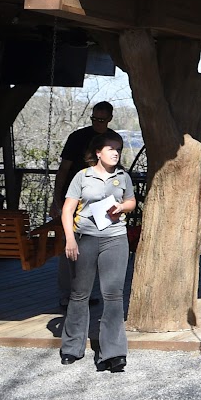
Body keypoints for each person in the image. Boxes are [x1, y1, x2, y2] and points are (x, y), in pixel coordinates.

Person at [59, 128, 136, 372]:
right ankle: (72, 347)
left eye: (119, 149)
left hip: (115, 239)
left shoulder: (123, 176)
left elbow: (131, 202)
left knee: (113, 294)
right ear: (98, 152)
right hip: (85, 238)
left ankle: (113, 353)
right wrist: (70, 239)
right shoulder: (82, 176)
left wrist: (122, 207)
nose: (116, 153)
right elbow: (67, 210)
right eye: (111, 148)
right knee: (79, 294)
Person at [53, 101, 114, 310]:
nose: (98, 123)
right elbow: (64, 169)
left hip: (101, 200)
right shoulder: (77, 138)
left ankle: (87, 292)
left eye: (102, 120)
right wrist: (56, 199)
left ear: (109, 119)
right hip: (75, 199)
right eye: (95, 119)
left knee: (95, 248)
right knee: (69, 246)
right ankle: (66, 293)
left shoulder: (112, 140)